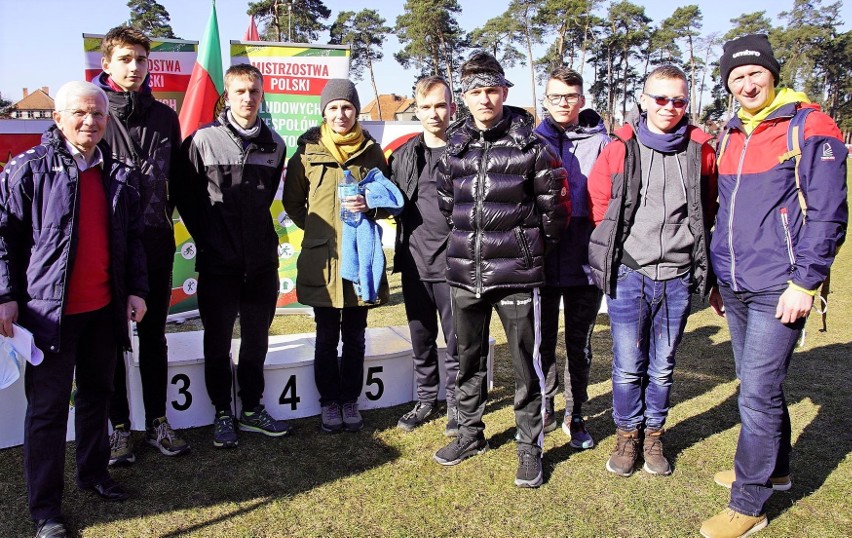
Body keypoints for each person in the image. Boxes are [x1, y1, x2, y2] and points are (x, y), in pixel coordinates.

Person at [700, 34, 847, 538]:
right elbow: (724, 213)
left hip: (779, 286)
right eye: (736, 76)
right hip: (736, 285)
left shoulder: (808, 125)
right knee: (758, 386)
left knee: (757, 395)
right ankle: (777, 470)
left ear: (772, 73)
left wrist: (805, 283)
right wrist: (719, 280)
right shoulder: (730, 131)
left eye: (754, 72)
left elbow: (828, 213)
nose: (746, 83)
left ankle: (749, 503)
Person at [0, 81, 148, 538]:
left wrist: (136, 289)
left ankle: (94, 474)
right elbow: (3, 237)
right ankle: (46, 511)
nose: (90, 122)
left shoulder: (119, 173)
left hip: (103, 310)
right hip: (48, 316)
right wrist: (4, 295)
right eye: (81, 114)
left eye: (99, 115)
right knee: (46, 411)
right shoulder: (28, 170)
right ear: (59, 117)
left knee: (97, 397)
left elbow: (133, 240)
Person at [432, 51, 570, 488]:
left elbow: (554, 212)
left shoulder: (532, 146)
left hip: (517, 274)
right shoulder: (454, 148)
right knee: (467, 358)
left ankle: (530, 447)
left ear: (505, 91)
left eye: (492, 89)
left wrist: (529, 252)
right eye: (475, 91)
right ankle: (469, 433)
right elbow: (448, 204)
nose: (484, 98)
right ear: (465, 98)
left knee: (525, 367)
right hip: (464, 275)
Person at [587, 65, 717, 478]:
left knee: (662, 365)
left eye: (679, 100)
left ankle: (654, 435)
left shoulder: (701, 150)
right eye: (660, 98)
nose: (670, 107)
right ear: (643, 101)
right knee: (627, 365)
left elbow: (707, 206)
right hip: (630, 273)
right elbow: (599, 203)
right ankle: (627, 437)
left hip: (677, 277)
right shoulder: (619, 148)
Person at [174, 64, 289, 449]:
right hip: (218, 263)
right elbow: (186, 197)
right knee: (218, 340)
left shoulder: (275, 144)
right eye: (240, 91)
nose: (248, 98)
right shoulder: (201, 140)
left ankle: (252, 408)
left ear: (262, 94)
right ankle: (223, 410)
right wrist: (209, 238)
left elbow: (266, 197)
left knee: (256, 338)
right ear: (227, 94)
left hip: (260, 263)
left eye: (254, 91)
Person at [93, 25, 189, 466]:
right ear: (107, 64)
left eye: (141, 60)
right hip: (105, 248)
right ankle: (117, 429)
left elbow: (183, 185)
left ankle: (156, 422)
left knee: (153, 336)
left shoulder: (165, 117)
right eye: (126, 59)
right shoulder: (93, 113)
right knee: (110, 338)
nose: (135, 67)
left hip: (154, 242)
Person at [282, 79, 399, 434]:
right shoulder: (305, 153)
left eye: (347, 107)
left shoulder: (372, 151)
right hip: (322, 260)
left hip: (360, 259)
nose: (340, 114)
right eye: (333, 107)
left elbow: (388, 198)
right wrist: (320, 233)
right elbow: (293, 203)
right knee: (325, 335)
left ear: (356, 111)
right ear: (324, 112)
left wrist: (370, 207)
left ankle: (350, 400)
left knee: (356, 335)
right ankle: (328, 402)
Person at [535, 67, 610, 448]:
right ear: (544, 99)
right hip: (544, 257)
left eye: (570, 96)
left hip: (586, 256)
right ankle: (546, 405)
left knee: (579, 343)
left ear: (582, 99)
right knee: (543, 339)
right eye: (555, 96)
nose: (563, 103)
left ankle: (575, 411)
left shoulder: (603, 140)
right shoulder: (532, 139)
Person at [390, 76, 460, 436]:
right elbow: (388, 204)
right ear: (416, 110)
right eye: (427, 106)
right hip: (415, 264)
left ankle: (457, 405)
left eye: (440, 105)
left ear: (452, 107)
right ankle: (426, 398)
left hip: (455, 265)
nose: (434, 113)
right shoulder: (403, 155)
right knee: (421, 338)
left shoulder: (466, 152)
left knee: (457, 340)